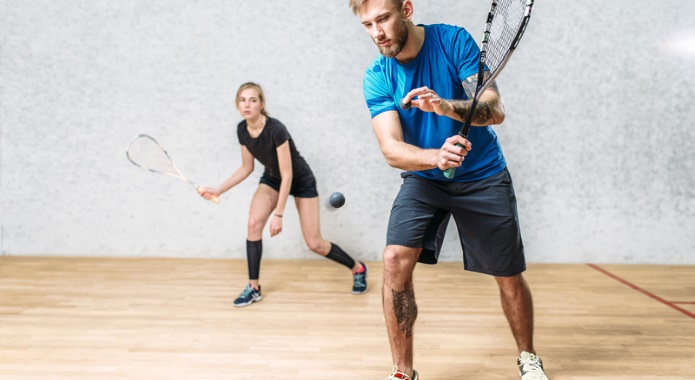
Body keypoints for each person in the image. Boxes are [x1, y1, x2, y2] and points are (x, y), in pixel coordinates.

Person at [349, 1, 549, 379]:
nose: (377, 32)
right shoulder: (378, 75)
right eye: (368, 25)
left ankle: (528, 356)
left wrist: (446, 107)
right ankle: (403, 372)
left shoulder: (453, 41)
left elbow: (494, 108)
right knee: (394, 260)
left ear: (405, 9)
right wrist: (434, 156)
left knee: (508, 274)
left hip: (484, 175)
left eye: (383, 19)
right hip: (425, 180)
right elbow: (392, 150)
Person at [199, 82, 368, 307]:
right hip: (272, 179)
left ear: (262, 104)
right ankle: (253, 287)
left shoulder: (276, 129)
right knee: (253, 224)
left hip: (301, 181)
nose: (247, 104)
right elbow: (246, 167)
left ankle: (358, 268)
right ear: (237, 104)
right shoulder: (242, 129)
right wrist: (218, 189)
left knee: (315, 243)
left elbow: (288, 175)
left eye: (252, 100)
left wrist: (278, 214)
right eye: (242, 100)